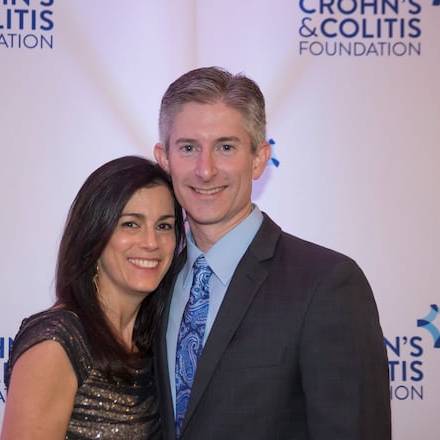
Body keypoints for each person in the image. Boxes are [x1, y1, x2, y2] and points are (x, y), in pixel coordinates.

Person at [152, 66, 391, 439]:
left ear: (259, 158)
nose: (205, 170)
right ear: (164, 159)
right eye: (188, 148)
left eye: (225, 147)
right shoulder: (153, 282)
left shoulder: (326, 285)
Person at [0, 156, 186, 440]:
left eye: (163, 226)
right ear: (94, 234)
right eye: (130, 224)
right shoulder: (57, 343)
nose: (151, 242)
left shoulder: (158, 343)